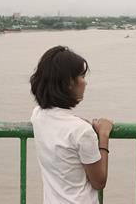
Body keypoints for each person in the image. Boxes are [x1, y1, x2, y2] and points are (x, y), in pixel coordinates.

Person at [30, 45, 113, 204]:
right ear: (69, 82)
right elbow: (99, 181)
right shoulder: (81, 131)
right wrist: (103, 135)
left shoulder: (38, 115)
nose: (85, 83)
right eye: (81, 76)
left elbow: (58, 120)